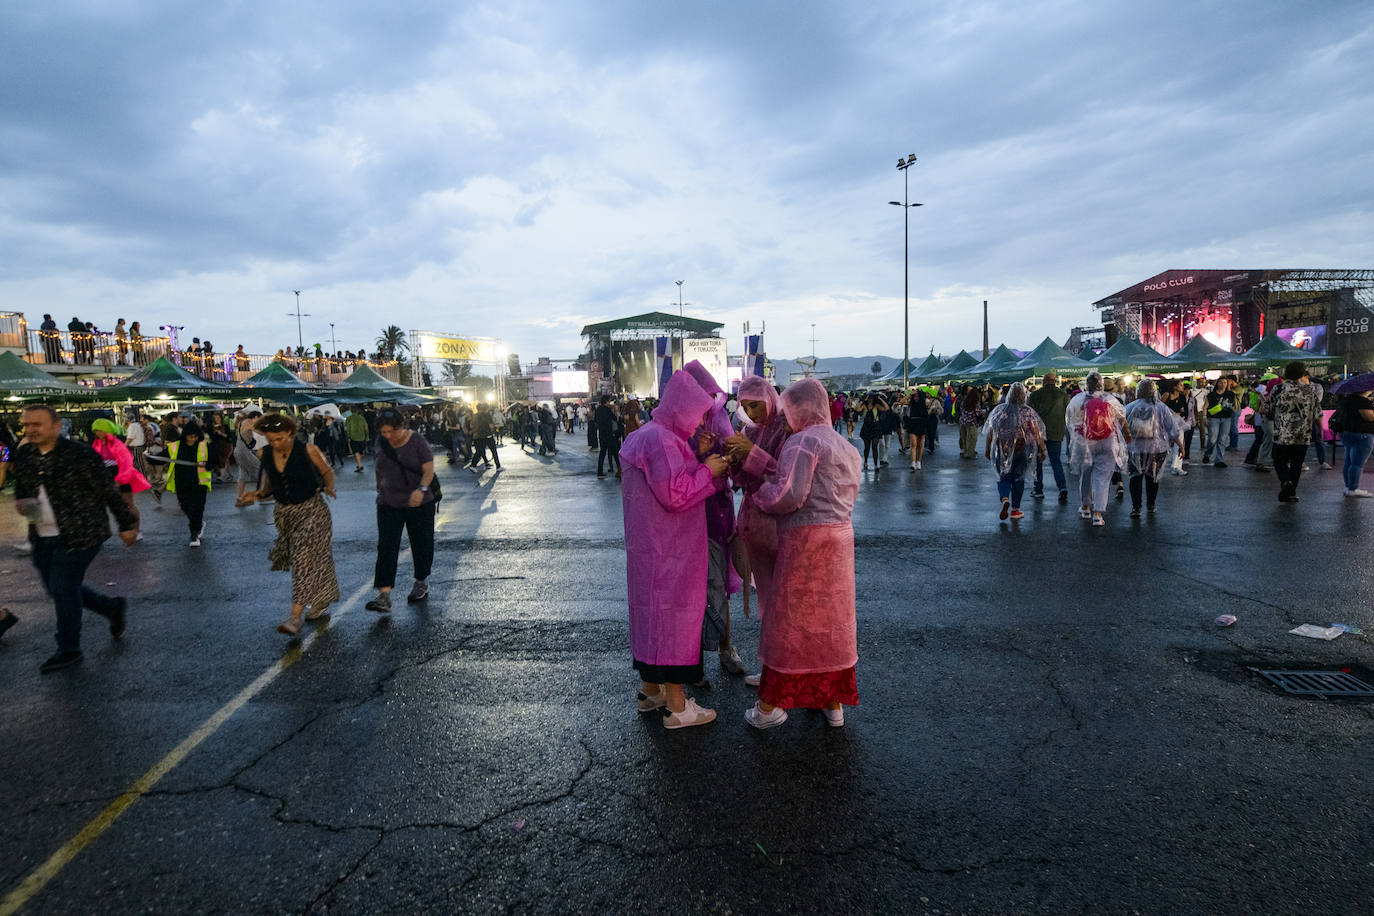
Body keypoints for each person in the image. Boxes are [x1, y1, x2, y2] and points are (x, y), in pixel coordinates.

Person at [746, 379, 862, 729]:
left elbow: (789, 495)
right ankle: (831, 701)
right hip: (840, 543)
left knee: (790, 621)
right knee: (831, 622)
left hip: (804, 544)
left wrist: (759, 494)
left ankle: (768, 708)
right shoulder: (846, 446)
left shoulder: (802, 442)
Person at [619, 370, 730, 729]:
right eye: (699, 413)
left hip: (650, 552)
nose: (701, 421)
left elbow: (666, 479)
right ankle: (678, 707)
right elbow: (676, 493)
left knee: (651, 617)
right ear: (684, 408)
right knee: (674, 622)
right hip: (672, 553)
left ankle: (651, 691)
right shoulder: (663, 441)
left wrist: (695, 454)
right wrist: (709, 469)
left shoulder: (648, 436)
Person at [11, 405, 139, 673]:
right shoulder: (24, 455)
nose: (31, 430)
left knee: (63, 588)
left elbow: (107, 490)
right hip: (42, 535)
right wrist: (23, 505)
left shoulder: (80, 455)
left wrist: (126, 524)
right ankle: (111, 607)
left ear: (57, 427)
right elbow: (23, 489)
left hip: (81, 532)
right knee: (59, 589)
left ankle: (68, 649)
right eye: (27, 425)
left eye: (38, 424)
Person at [238, 413, 339, 635]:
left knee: (303, 559)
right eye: (271, 439)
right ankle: (322, 599)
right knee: (317, 558)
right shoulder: (265, 455)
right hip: (285, 514)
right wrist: (254, 495)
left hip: (313, 510)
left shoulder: (308, 450)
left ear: (291, 433)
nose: (276, 443)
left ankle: (295, 617)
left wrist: (330, 487)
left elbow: (326, 471)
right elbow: (267, 488)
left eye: (280, 438)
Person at [724, 375, 792, 683]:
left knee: (785, 604)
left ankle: (787, 671)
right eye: (746, 407)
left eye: (756, 406)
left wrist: (749, 452)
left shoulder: (788, 429)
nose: (752, 414)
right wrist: (735, 459)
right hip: (755, 525)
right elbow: (746, 481)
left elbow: (783, 476)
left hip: (779, 529)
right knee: (767, 602)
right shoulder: (752, 430)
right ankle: (771, 669)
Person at [682, 359, 747, 680]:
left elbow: (734, 457)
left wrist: (730, 454)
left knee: (720, 587)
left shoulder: (718, 416)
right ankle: (692, 660)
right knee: (693, 591)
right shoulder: (678, 422)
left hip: (718, 513)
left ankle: (725, 646)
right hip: (688, 516)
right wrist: (699, 455)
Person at [366, 408, 437, 612]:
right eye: (384, 432)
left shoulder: (417, 441)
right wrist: (379, 484)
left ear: (401, 427)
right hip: (389, 502)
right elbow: (379, 465)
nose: (388, 436)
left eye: (392, 431)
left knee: (421, 543)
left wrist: (421, 489)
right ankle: (384, 594)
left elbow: (429, 470)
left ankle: (421, 581)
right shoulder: (381, 442)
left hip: (419, 502)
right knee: (387, 546)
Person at [1067, 371, 1128, 527]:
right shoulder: (1110, 400)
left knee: (1085, 475)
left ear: (1086, 385)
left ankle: (1086, 507)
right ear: (1101, 385)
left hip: (1085, 443)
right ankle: (1098, 514)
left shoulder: (1077, 400)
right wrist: (1126, 435)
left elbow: (1070, 422)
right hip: (1107, 442)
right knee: (1102, 479)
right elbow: (1121, 418)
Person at [982, 382, 1046, 522]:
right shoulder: (1028, 411)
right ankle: (1015, 509)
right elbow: (1036, 432)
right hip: (1023, 450)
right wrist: (1042, 449)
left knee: (1003, 476)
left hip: (1002, 449)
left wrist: (988, 449)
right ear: (1024, 396)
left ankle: (1005, 497)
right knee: (1019, 478)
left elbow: (990, 431)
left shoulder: (1000, 410)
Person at [1124, 379, 1185, 518]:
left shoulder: (1130, 407)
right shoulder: (1161, 407)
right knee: (1153, 478)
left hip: (1136, 449)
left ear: (1138, 391)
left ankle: (1136, 507)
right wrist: (1181, 446)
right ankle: (1151, 504)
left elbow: (1122, 427)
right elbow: (1172, 429)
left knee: (1135, 478)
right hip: (1157, 449)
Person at [1268, 361, 1322, 503]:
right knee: (1297, 464)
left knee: (1279, 461)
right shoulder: (1310, 391)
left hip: (1283, 434)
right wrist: (1320, 430)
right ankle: (1291, 493)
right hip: (1303, 434)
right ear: (1302, 373)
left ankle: (1286, 482)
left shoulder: (1278, 389)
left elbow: (1269, 410)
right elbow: (1318, 413)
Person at [91, 418, 150, 533]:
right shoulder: (96, 444)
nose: (98, 433)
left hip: (120, 475)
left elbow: (127, 462)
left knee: (129, 505)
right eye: (96, 431)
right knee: (99, 505)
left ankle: (136, 530)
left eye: (100, 430)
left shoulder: (117, 443)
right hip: (104, 476)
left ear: (107, 430)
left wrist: (121, 479)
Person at [164, 422, 211, 547]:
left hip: (200, 483)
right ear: (185, 435)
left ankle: (194, 534)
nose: (193, 439)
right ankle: (198, 524)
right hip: (181, 482)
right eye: (190, 436)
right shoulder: (175, 446)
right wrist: (149, 457)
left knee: (197, 508)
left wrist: (206, 464)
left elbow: (214, 460)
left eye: (195, 437)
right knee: (185, 506)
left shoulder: (204, 446)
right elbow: (163, 456)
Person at [1028, 371, 1070, 502]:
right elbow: (1069, 413)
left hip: (1038, 433)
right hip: (1056, 433)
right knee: (1055, 461)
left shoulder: (1035, 395)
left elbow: (1030, 415)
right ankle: (1062, 487)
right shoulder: (1063, 395)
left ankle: (1038, 489)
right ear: (1055, 381)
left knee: (1038, 461)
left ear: (1044, 381)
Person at [1334, 385, 1374, 497]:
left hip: (1347, 433)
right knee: (1357, 464)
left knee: (1349, 461)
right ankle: (1353, 488)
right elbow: (1369, 417)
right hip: (1362, 434)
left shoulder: (1347, 399)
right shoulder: (1361, 401)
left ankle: (1348, 486)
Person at [233, 408, 266, 505]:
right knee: (261, 471)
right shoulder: (248, 422)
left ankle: (239, 499)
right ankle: (261, 497)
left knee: (242, 475)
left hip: (238, 451)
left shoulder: (241, 422)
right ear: (255, 417)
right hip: (244, 452)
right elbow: (260, 432)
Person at [1204, 378, 1237, 467]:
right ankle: (1208, 453)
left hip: (1226, 418)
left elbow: (1235, 405)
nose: (1223, 384)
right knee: (1212, 439)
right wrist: (1204, 418)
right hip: (1214, 418)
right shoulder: (1211, 395)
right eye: (1221, 382)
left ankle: (1219, 460)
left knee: (1223, 439)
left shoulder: (1230, 394)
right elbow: (1205, 406)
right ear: (1217, 384)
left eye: (1225, 382)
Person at [958, 387, 984, 459]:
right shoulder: (975, 403)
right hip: (972, 423)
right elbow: (978, 413)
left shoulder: (964, 402)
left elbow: (961, 411)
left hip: (963, 422)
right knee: (972, 439)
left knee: (965, 438)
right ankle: (970, 454)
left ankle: (965, 451)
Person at [905, 390, 929, 471]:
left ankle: (918, 462)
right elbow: (902, 401)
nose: (915, 398)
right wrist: (910, 394)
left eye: (917, 396)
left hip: (922, 422)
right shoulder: (910, 403)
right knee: (914, 443)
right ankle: (913, 462)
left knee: (920, 444)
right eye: (914, 396)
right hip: (912, 423)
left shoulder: (925, 402)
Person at [594, 395, 617, 478]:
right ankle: (620, 470)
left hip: (601, 434)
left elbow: (595, 420)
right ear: (606, 402)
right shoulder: (607, 410)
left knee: (602, 453)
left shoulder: (598, 410)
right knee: (614, 452)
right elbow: (614, 418)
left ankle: (599, 471)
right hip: (609, 433)